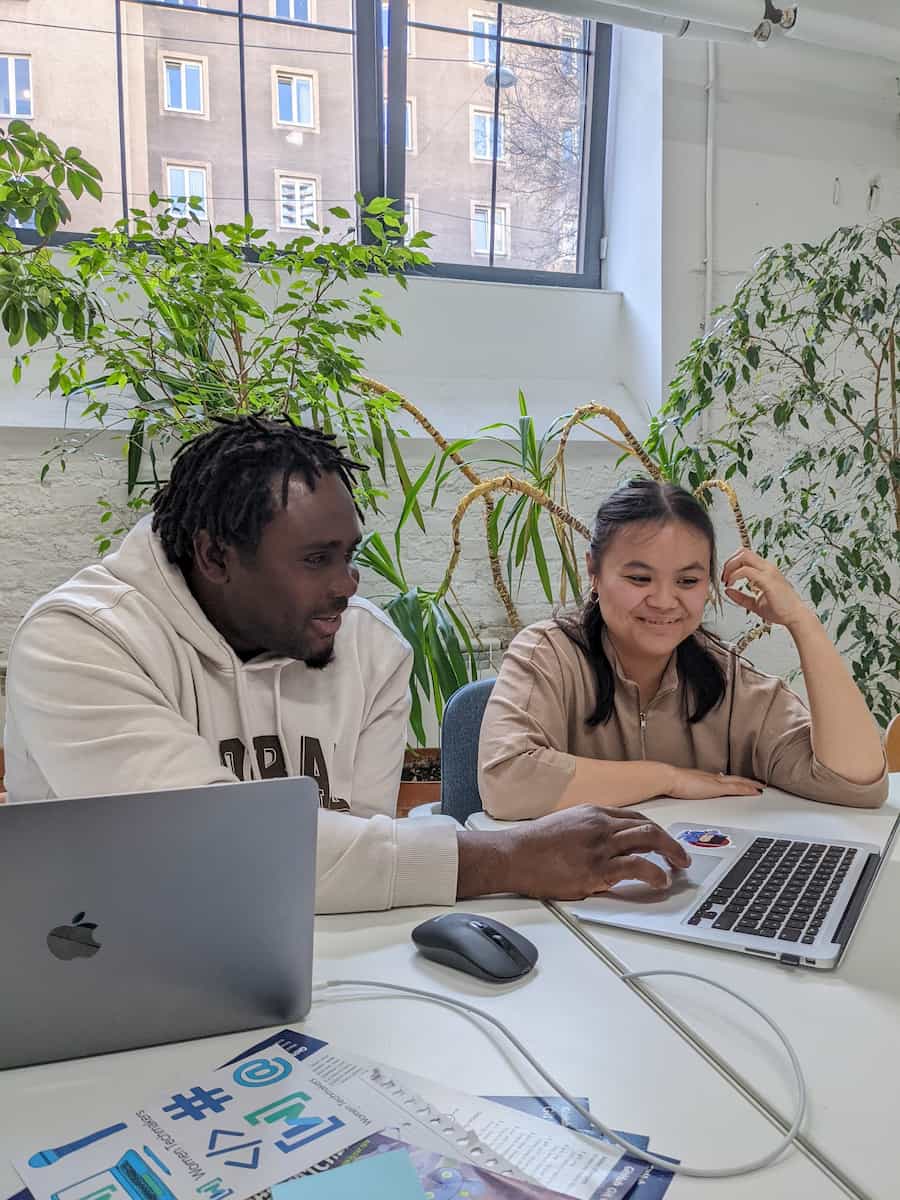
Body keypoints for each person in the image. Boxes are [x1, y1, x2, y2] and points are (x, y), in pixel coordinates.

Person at [2, 416, 690, 912]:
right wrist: (508, 857)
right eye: (313, 560)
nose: (347, 585)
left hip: (307, 963)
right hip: (109, 967)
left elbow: (361, 857)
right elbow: (208, 854)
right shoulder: (81, 641)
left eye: (348, 554)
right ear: (214, 557)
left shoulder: (368, 646)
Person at [478, 478, 887, 819]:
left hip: (695, 892)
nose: (663, 601)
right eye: (639, 579)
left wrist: (802, 622)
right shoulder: (546, 655)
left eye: (688, 582)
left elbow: (856, 783)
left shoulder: (728, 681)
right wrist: (668, 778)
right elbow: (506, 782)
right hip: (561, 902)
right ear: (594, 572)